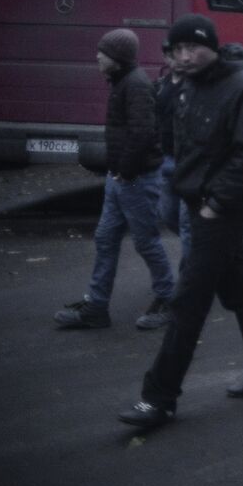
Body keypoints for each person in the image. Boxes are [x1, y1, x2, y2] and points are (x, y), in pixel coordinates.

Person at [118, 15, 243, 429]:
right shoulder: (185, 86)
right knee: (240, 292)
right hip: (197, 202)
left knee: (187, 301)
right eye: (176, 50)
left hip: (221, 211)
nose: (183, 56)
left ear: (211, 46)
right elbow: (176, 141)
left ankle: (158, 397)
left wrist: (217, 203)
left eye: (191, 48)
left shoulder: (240, 87)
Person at [55, 29, 175, 331]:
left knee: (146, 242)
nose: (97, 56)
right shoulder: (122, 82)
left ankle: (169, 299)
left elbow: (143, 132)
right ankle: (96, 306)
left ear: (118, 58)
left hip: (134, 180)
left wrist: (126, 171)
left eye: (103, 52)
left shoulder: (135, 85)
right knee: (105, 238)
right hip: (120, 178)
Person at [153, 39, 192, 263]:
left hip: (187, 162)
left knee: (187, 223)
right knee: (168, 215)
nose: (174, 59)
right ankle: (199, 250)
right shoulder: (160, 85)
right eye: (170, 55)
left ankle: (189, 278)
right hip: (164, 160)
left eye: (177, 53)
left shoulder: (193, 85)